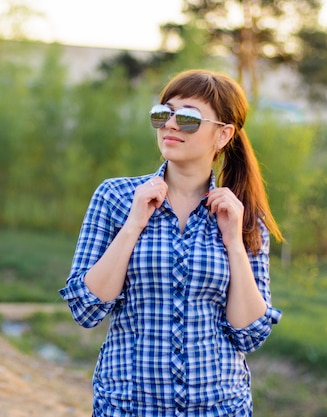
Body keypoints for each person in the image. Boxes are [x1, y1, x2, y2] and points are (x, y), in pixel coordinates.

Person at [59, 69, 284, 417]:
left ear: (223, 134)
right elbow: (87, 308)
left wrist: (233, 242)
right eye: (163, 112)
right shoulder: (116, 197)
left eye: (189, 117)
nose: (171, 125)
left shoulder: (243, 217)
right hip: (127, 406)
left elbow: (250, 334)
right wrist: (134, 223)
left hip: (219, 407)